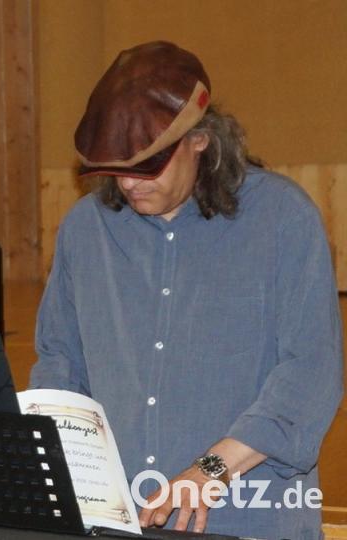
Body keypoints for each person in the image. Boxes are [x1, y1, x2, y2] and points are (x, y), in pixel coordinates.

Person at [30, 41, 343, 539]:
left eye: (147, 166)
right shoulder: (85, 231)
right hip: (119, 518)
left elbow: (310, 373)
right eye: (116, 170)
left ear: (200, 139)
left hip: (249, 515)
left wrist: (211, 471)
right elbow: (60, 362)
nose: (129, 185)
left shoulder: (284, 220)